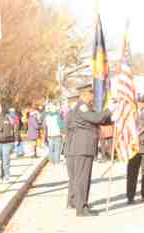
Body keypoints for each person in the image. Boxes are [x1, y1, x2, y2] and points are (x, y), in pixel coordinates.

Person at [70, 83, 112, 217]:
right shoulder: (82, 107)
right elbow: (96, 118)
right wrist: (109, 110)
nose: (93, 97)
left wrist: (113, 116)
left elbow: (100, 120)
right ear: (85, 95)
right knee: (82, 179)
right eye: (91, 94)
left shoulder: (87, 108)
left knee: (85, 178)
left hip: (86, 147)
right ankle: (81, 208)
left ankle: (83, 205)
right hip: (83, 147)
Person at [63, 94, 79, 209]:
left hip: (71, 149)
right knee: (74, 177)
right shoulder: (72, 115)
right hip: (72, 150)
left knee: (74, 177)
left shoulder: (70, 114)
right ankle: (72, 201)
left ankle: (72, 200)